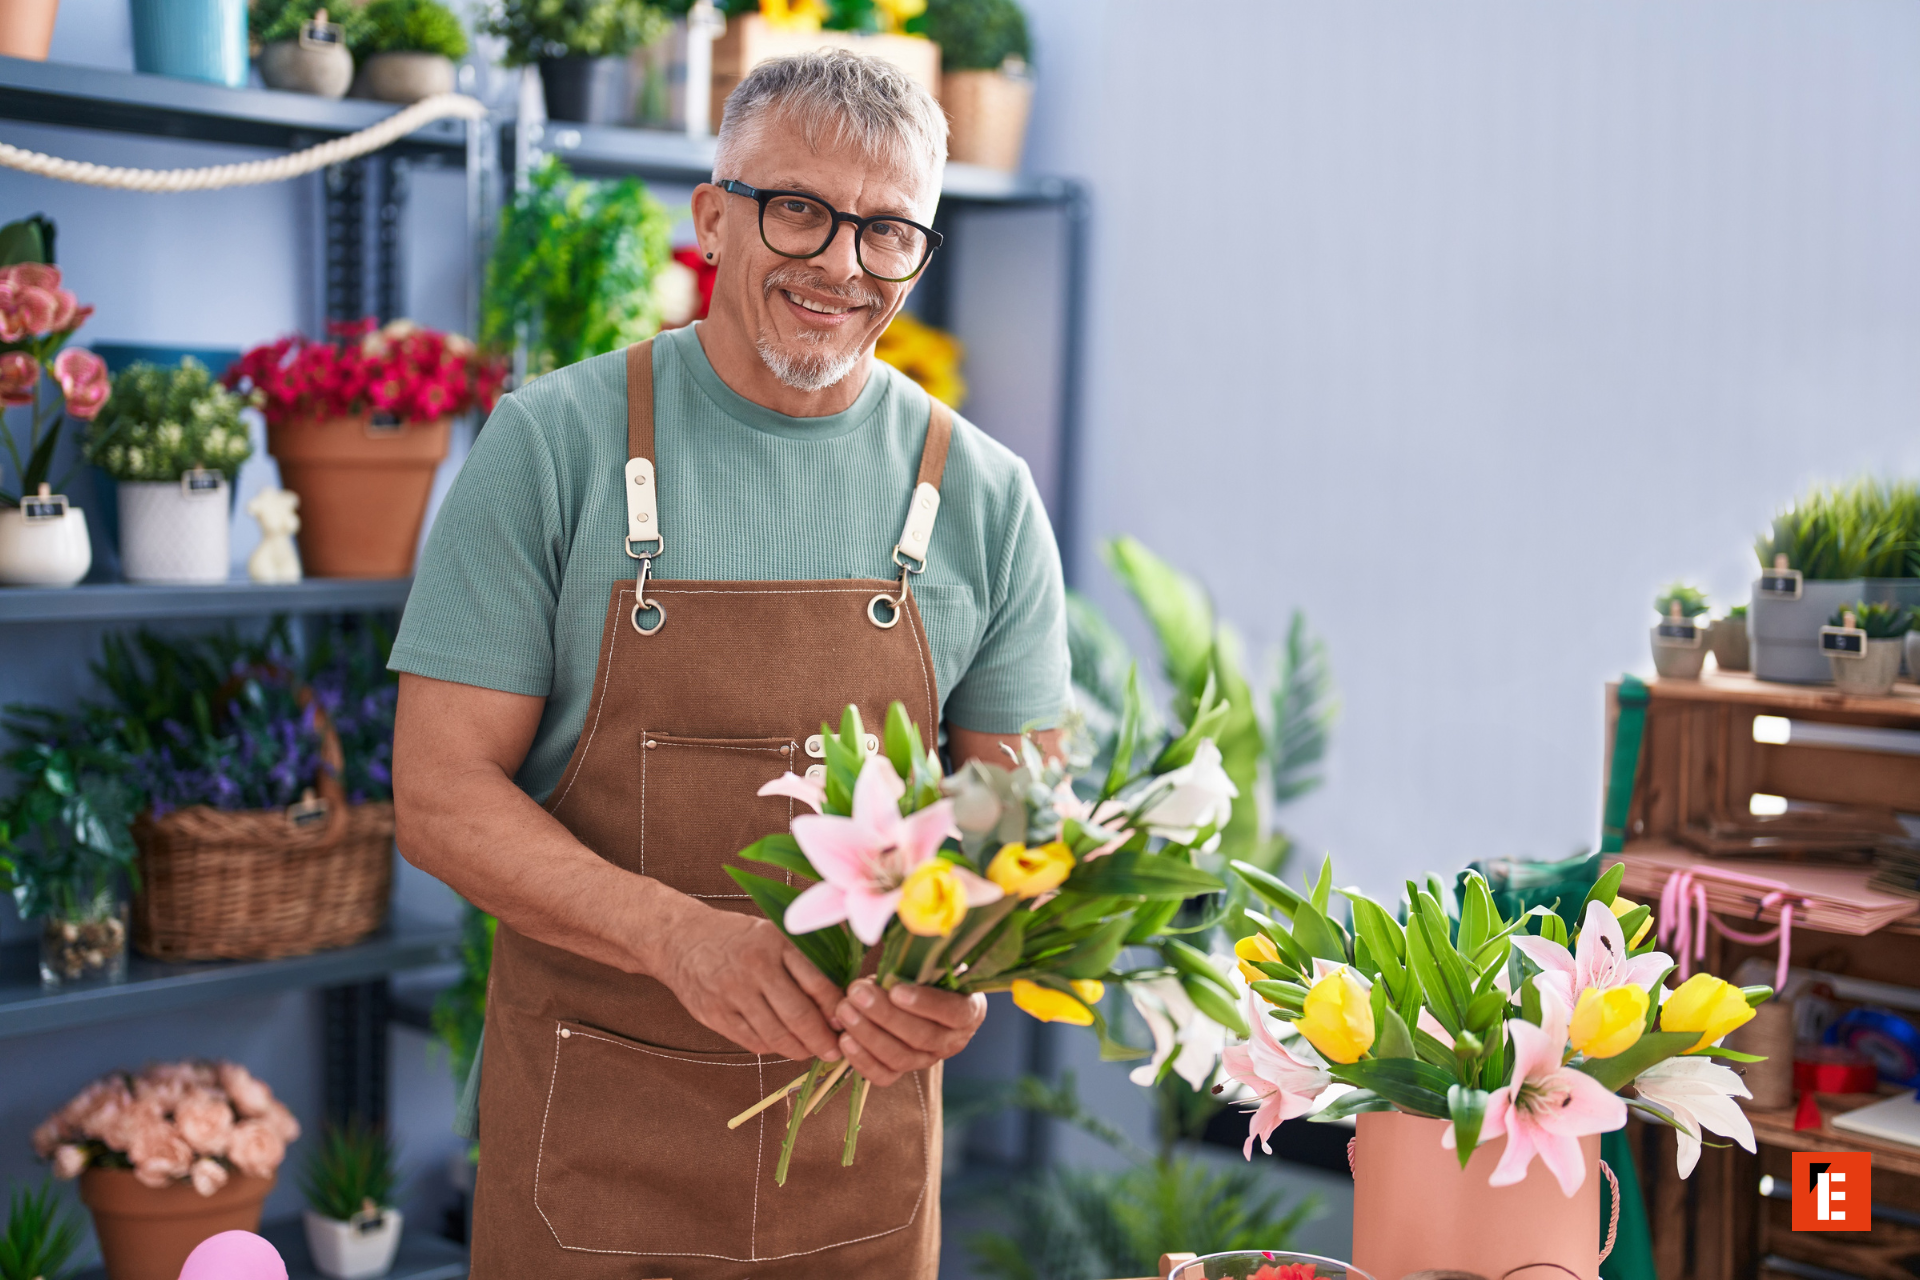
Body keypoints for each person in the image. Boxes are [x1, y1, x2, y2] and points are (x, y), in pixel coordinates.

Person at [388, 49, 1068, 1280]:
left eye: (887, 231)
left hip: (851, 1173)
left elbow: (1019, 829)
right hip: (586, 1146)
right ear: (712, 215)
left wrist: (967, 971)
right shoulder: (555, 445)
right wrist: (678, 937)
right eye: (798, 209)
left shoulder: (986, 498)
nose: (840, 265)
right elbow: (438, 794)